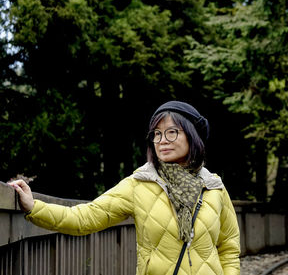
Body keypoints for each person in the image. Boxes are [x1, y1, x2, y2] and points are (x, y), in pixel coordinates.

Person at [8, 100, 240, 275]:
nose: (162, 140)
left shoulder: (214, 187)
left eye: (172, 132)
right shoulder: (139, 184)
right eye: (156, 134)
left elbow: (229, 248)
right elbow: (84, 218)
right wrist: (34, 207)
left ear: (192, 136)